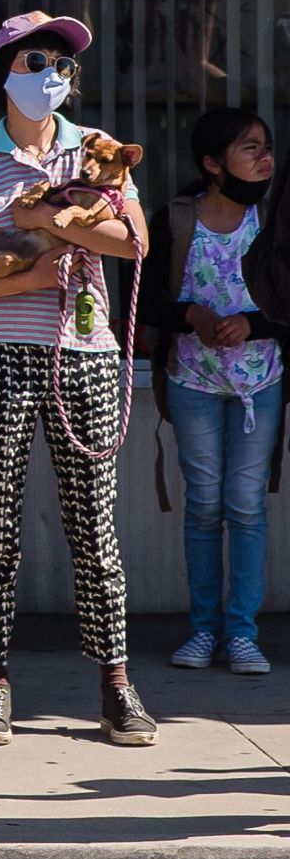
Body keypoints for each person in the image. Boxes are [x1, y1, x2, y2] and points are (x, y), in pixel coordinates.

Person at [0, 11, 156, 747]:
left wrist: (53, 225)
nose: (50, 76)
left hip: (84, 351)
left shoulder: (96, 153)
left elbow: (135, 241)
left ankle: (117, 682)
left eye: (62, 65)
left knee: (95, 523)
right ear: (2, 72)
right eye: (34, 62)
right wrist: (30, 271)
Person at [144, 108, 281, 676]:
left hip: (263, 384)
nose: (265, 157)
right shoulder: (176, 220)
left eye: (266, 146)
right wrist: (190, 315)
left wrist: (254, 324)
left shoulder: (275, 222)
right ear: (211, 164)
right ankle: (203, 631)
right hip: (192, 382)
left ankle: (243, 634)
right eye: (250, 148)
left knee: (246, 508)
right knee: (203, 506)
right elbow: (145, 303)